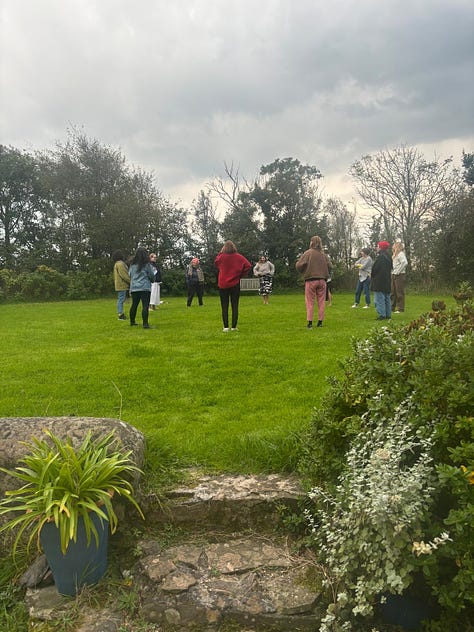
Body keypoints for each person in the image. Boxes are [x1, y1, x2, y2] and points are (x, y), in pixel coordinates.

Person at [214, 240, 252, 331]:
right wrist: (240, 275)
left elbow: (216, 262)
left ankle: (226, 327)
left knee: (224, 306)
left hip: (222, 284)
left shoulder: (221, 257)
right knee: (235, 305)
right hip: (235, 283)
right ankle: (234, 327)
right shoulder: (239, 257)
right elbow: (248, 266)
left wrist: (220, 252)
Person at [295, 235, 330, 329]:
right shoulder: (323, 255)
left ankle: (310, 323)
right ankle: (320, 322)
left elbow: (299, 265)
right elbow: (330, 266)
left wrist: (303, 270)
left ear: (312, 242)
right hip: (322, 280)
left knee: (310, 301)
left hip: (311, 280)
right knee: (321, 302)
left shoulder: (308, 253)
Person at [128, 246, 156, 329]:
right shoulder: (147, 265)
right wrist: (152, 280)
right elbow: (151, 275)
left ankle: (132, 321)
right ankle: (145, 324)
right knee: (145, 306)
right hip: (144, 287)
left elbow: (130, 275)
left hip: (134, 288)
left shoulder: (132, 265)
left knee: (134, 305)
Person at [371, 241, 393, 320]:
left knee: (379, 298)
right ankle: (388, 314)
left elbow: (375, 269)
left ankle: (382, 315)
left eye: (378, 246)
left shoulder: (380, 257)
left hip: (379, 280)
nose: (377, 248)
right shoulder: (389, 256)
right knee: (387, 298)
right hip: (387, 280)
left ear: (381, 247)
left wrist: (372, 274)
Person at [112, 250, 130, 321]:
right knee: (121, 299)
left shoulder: (116, 264)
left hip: (119, 284)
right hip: (122, 285)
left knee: (121, 299)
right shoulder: (120, 264)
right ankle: (120, 314)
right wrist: (130, 281)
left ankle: (121, 313)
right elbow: (124, 275)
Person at [391, 241, 408, 313]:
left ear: (397, 246)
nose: (393, 246)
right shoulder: (395, 255)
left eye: (394, 245)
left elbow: (405, 262)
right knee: (392, 291)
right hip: (394, 274)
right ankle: (392, 307)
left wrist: (398, 271)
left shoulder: (401, 254)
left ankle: (400, 308)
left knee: (399, 292)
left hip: (400, 275)